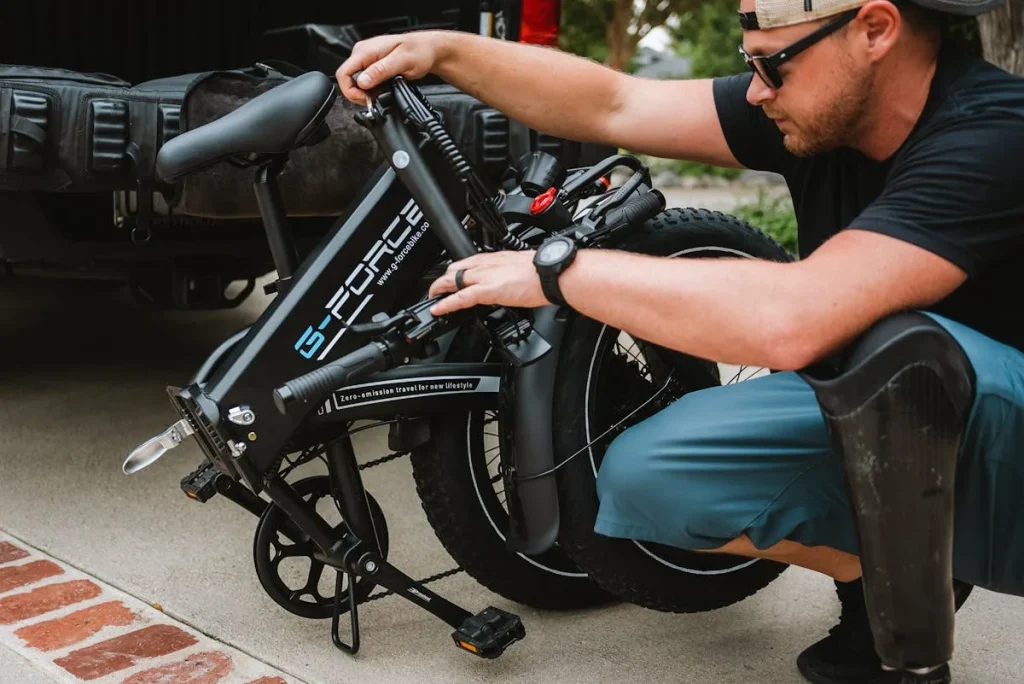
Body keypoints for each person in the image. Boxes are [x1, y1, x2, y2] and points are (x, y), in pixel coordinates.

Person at [336, 1, 1024, 682]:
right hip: (916, 416)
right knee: (648, 475)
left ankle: (909, 633)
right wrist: (445, 51)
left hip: (1003, 436)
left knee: (900, 353)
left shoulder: (995, 133)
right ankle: (895, 570)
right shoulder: (827, 108)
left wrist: (556, 271)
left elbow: (798, 318)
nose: (757, 90)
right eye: (747, 64)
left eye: (772, 65)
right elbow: (614, 105)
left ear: (875, 29)